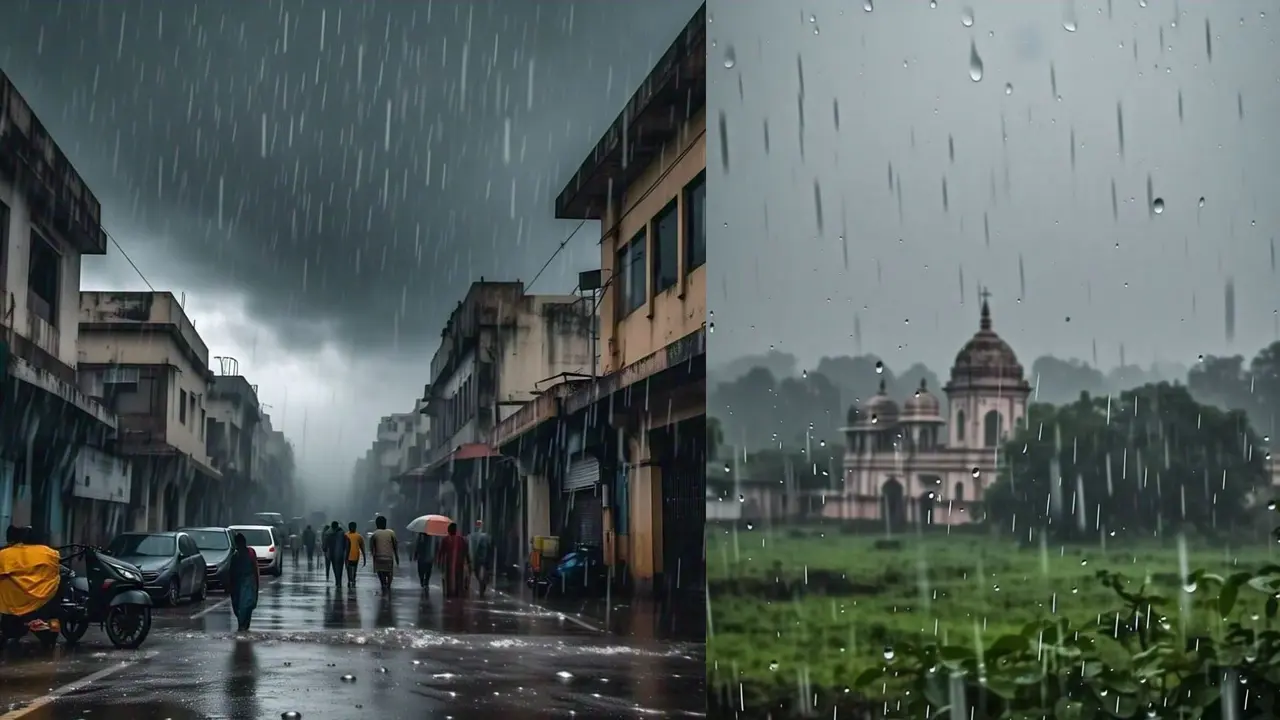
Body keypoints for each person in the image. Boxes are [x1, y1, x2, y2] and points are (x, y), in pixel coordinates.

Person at [227, 532, 260, 632]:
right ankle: (242, 625)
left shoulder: (250, 553)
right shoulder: (235, 555)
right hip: (238, 582)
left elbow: (255, 567)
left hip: (248, 581)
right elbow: (231, 571)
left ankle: (243, 625)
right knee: (239, 605)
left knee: (246, 604)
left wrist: (256, 582)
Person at [435, 523, 469, 599]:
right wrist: (468, 562)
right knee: (459, 577)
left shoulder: (445, 539)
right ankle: (457, 592)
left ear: (448, 531)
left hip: (448, 563)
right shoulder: (461, 539)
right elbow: (466, 552)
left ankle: (449, 592)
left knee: (448, 577)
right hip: (459, 562)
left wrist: (439, 562)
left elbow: (441, 552)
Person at [369, 516, 399, 593]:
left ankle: (383, 584)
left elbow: (372, 548)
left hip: (378, 558)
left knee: (380, 572)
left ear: (376, 524)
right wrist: (397, 557)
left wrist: (373, 557)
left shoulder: (374, 534)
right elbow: (395, 546)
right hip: (389, 557)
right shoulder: (391, 533)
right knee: (389, 573)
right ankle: (388, 585)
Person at [469, 520, 493, 598]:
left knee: (480, 573)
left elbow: (489, 548)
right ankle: (482, 584)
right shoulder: (473, 536)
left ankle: (482, 585)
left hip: (481, 559)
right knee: (479, 573)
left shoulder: (485, 536)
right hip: (479, 559)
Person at [343, 522, 366, 589]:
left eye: (353, 527)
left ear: (355, 527)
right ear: (349, 527)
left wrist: (364, 557)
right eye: (351, 527)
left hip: (355, 556)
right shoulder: (345, 535)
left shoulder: (359, 536)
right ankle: (350, 579)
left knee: (354, 569)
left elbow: (362, 547)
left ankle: (353, 579)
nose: (352, 528)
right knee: (348, 569)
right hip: (347, 556)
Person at [325, 521, 347, 589]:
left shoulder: (328, 533)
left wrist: (326, 550)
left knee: (335, 567)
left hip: (332, 554)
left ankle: (337, 580)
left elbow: (325, 545)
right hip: (341, 553)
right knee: (340, 568)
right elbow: (346, 543)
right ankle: (339, 580)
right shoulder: (342, 533)